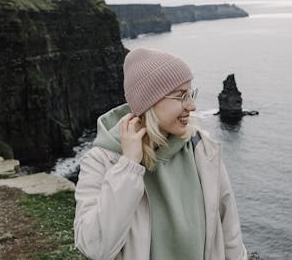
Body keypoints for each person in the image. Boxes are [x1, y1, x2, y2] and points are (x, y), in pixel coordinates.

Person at [74, 47, 247, 260]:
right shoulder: (102, 160)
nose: (192, 105)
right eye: (181, 96)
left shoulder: (202, 148)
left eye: (191, 93)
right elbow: (95, 248)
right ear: (149, 102)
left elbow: (230, 234)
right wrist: (128, 165)